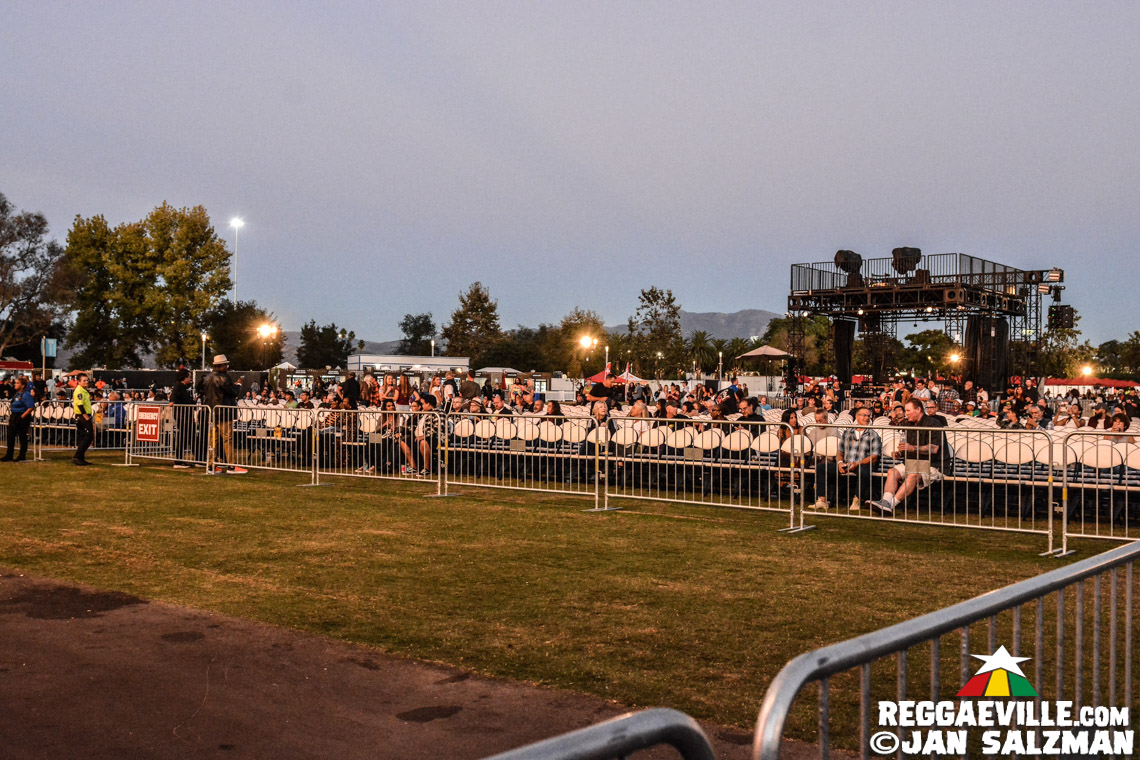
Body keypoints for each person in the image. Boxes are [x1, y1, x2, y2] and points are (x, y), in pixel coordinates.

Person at [869, 399, 949, 515]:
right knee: (892, 472)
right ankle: (885, 502)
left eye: (908, 410)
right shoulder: (909, 425)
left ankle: (891, 506)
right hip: (914, 462)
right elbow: (909, 448)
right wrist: (900, 453)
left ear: (918, 409)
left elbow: (934, 449)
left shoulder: (933, 423)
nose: (906, 414)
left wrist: (911, 448)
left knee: (912, 475)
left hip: (934, 465)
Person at [813, 407, 882, 511]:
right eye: (864, 415)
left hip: (861, 464)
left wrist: (857, 464)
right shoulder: (848, 432)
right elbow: (840, 452)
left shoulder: (874, 435)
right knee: (821, 468)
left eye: (868, 416)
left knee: (864, 471)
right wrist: (840, 463)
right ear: (857, 417)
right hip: (846, 464)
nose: (867, 418)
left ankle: (856, 500)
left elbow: (875, 456)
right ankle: (822, 500)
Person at [201, 354, 247, 474]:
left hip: (211, 412)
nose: (227, 367)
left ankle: (211, 465)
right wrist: (239, 385)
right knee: (228, 440)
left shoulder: (207, 378)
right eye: (226, 364)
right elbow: (233, 392)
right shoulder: (224, 378)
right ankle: (231, 466)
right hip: (224, 413)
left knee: (213, 440)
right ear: (221, 366)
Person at [2, 375, 35, 462]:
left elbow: (31, 407)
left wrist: (22, 417)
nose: (15, 385)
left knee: (22, 437)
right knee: (10, 436)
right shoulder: (17, 394)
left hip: (21, 415)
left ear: (23, 385)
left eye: (17, 383)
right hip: (14, 415)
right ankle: (9, 455)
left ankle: (22, 455)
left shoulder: (26, 394)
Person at [170, 368, 197, 468]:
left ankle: (198, 459)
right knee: (184, 438)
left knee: (189, 437)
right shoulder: (179, 387)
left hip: (183, 416)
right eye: (189, 377)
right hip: (183, 417)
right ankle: (179, 461)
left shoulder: (181, 387)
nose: (190, 379)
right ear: (184, 377)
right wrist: (193, 401)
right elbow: (175, 401)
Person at [72, 372, 94, 466]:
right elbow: (79, 404)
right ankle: (77, 456)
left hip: (84, 415)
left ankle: (80, 457)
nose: (86, 382)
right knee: (88, 436)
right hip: (83, 415)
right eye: (84, 380)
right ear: (78, 381)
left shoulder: (84, 390)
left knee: (83, 436)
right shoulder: (79, 391)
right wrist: (85, 416)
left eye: (87, 380)